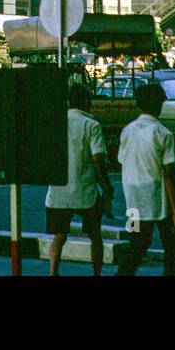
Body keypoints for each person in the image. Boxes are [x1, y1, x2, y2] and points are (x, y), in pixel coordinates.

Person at [116, 82, 175, 275]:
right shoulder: (163, 134)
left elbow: (122, 160)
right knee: (173, 247)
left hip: (132, 202)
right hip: (160, 203)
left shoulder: (127, 131)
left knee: (134, 246)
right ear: (158, 104)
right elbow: (170, 175)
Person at [46, 84, 114, 276]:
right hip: (85, 191)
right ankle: (96, 274)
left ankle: (53, 272)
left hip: (58, 191)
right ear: (86, 102)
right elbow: (97, 159)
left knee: (59, 236)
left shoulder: (56, 123)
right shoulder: (91, 125)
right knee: (95, 236)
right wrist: (107, 186)